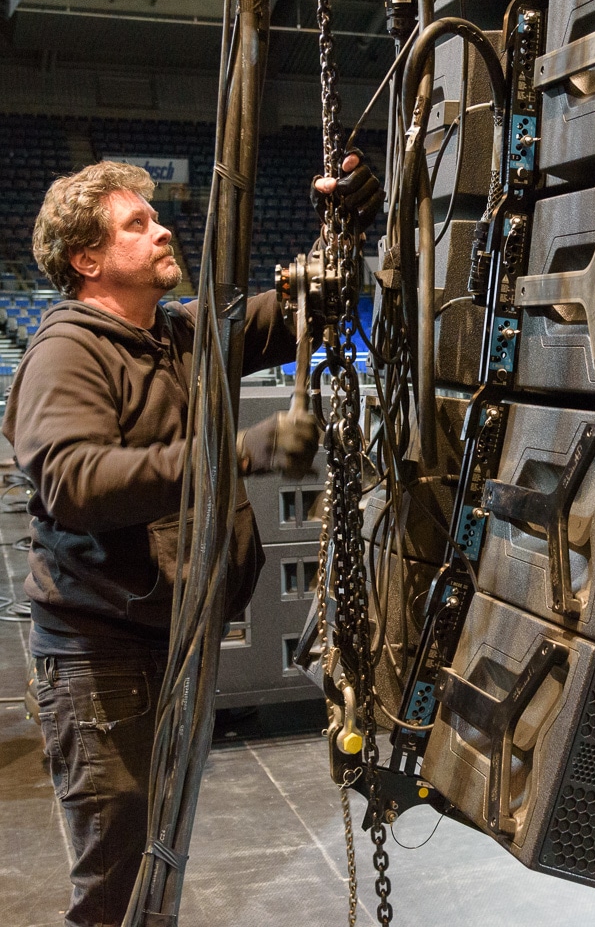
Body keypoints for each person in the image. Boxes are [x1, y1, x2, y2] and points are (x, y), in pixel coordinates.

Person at [1, 153, 381, 927]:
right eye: (135, 223)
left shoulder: (179, 336)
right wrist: (233, 453)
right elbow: (74, 482)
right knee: (117, 888)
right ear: (87, 259)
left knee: (157, 869)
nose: (163, 229)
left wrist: (344, 225)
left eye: (155, 216)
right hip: (103, 662)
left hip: (172, 647)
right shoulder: (68, 352)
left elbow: (310, 305)